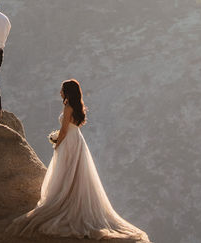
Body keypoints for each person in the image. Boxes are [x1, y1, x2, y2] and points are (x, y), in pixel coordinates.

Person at [8, 80, 149, 241]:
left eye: (62, 90)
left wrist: (57, 143)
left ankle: (65, 200)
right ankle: (71, 198)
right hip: (77, 141)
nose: (60, 92)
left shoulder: (68, 108)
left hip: (69, 141)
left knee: (66, 172)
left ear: (67, 92)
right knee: (76, 173)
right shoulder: (77, 106)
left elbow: (64, 130)